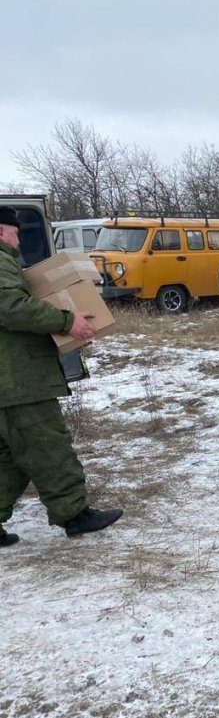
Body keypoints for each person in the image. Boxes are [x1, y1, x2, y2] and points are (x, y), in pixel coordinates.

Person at [0, 206, 123, 546]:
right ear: (0, 231)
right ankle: (75, 515)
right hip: (18, 380)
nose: (18, 239)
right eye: (15, 233)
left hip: (9, 380)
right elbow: (10, 307)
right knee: (49, 448)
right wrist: (67, 320)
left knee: (10, 458)